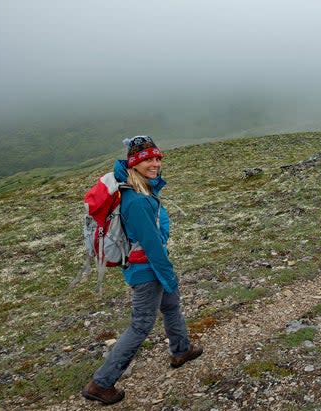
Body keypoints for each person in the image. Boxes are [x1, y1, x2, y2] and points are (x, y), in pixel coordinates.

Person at [81, 136, 202, 405]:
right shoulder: (137, 201)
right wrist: (168, 274)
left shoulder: (140, 193)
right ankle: (101, 383)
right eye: (148, 159)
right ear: (134, 164)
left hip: (146, 267)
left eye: (158, 158)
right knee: (141, 325)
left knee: (171, 307)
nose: (155, 163)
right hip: (148, 271)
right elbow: (152, 245)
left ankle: (181, 350)